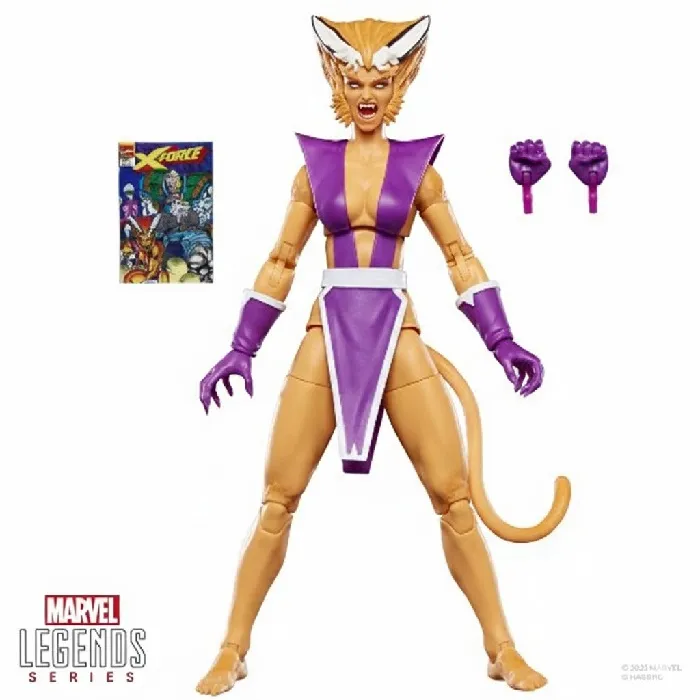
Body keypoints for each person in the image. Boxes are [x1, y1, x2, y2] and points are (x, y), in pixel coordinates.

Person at [197, 15, 570, 696]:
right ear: (337, 81)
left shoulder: (418, 168)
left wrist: (501, 339)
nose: (366, 93)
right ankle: (231, 648)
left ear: (399, 84)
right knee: (278, 500)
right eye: (355, 80)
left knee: (453, 498)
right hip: (328, 326)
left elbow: (459, 254)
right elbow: (281, 259)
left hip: (398, 329)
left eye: (379, 80)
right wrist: (241, 346)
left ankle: (501, 648)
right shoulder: (315, 169)